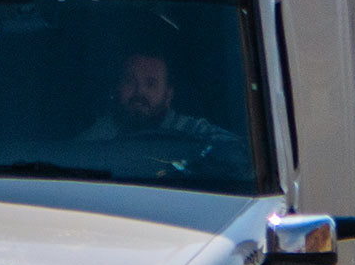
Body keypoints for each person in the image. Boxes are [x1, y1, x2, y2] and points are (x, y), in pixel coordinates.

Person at [81, 51, 247, 181]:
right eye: (130, 81)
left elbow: (239, 153)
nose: (140, 92)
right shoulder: (96, 139)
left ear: (168, 95)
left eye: (151, 84)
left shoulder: (193, 131)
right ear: (118, 88)